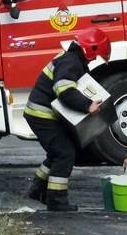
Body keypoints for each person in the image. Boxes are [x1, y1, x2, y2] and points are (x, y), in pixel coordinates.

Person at [24, 28, 112, 211]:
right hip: (42, 115)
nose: (94, 60)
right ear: (91, 49)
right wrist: (87, 105)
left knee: (57, 153)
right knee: (65, 154)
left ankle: (37, 189)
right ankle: (56, 201)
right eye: (96, 56)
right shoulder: (71, 62)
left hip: (40, 114)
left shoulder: (72, 59)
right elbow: (64, 91)